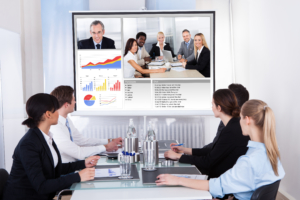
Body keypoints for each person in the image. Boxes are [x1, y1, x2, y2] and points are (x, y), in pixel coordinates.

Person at [156, 100, 285, 200]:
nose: (239, 122)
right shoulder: (272, 151)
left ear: (248, 120)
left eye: (240, 117)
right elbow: (253, 189)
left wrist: (177, 180)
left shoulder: (248, 161)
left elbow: (215, 186)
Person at [3, 93, 99, 200]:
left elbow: (54, 168)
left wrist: (83, 163)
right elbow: (41, 186)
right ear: (48, 114)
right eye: (56, 110)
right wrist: (78, 176)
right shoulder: (29, 144)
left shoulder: (45, 137)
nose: (58, 113)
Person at [164, 89, 250, 179]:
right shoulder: (233, 125)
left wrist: (178, 156)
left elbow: (208, 161)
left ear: (219, 108)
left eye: (212, 104)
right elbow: (213, 151)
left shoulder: (231, 130)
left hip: (220, 179)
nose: (212, 108)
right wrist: (184, 150)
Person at [50, 86, 122, 163]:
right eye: (74, 100)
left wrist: (109, 141)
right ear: (66, 105)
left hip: (74, 165)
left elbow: (82, 141)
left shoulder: (67, 121)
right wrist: (106, 147)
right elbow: (78, 152)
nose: (75, 102)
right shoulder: (54, 126)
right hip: (65, 169)